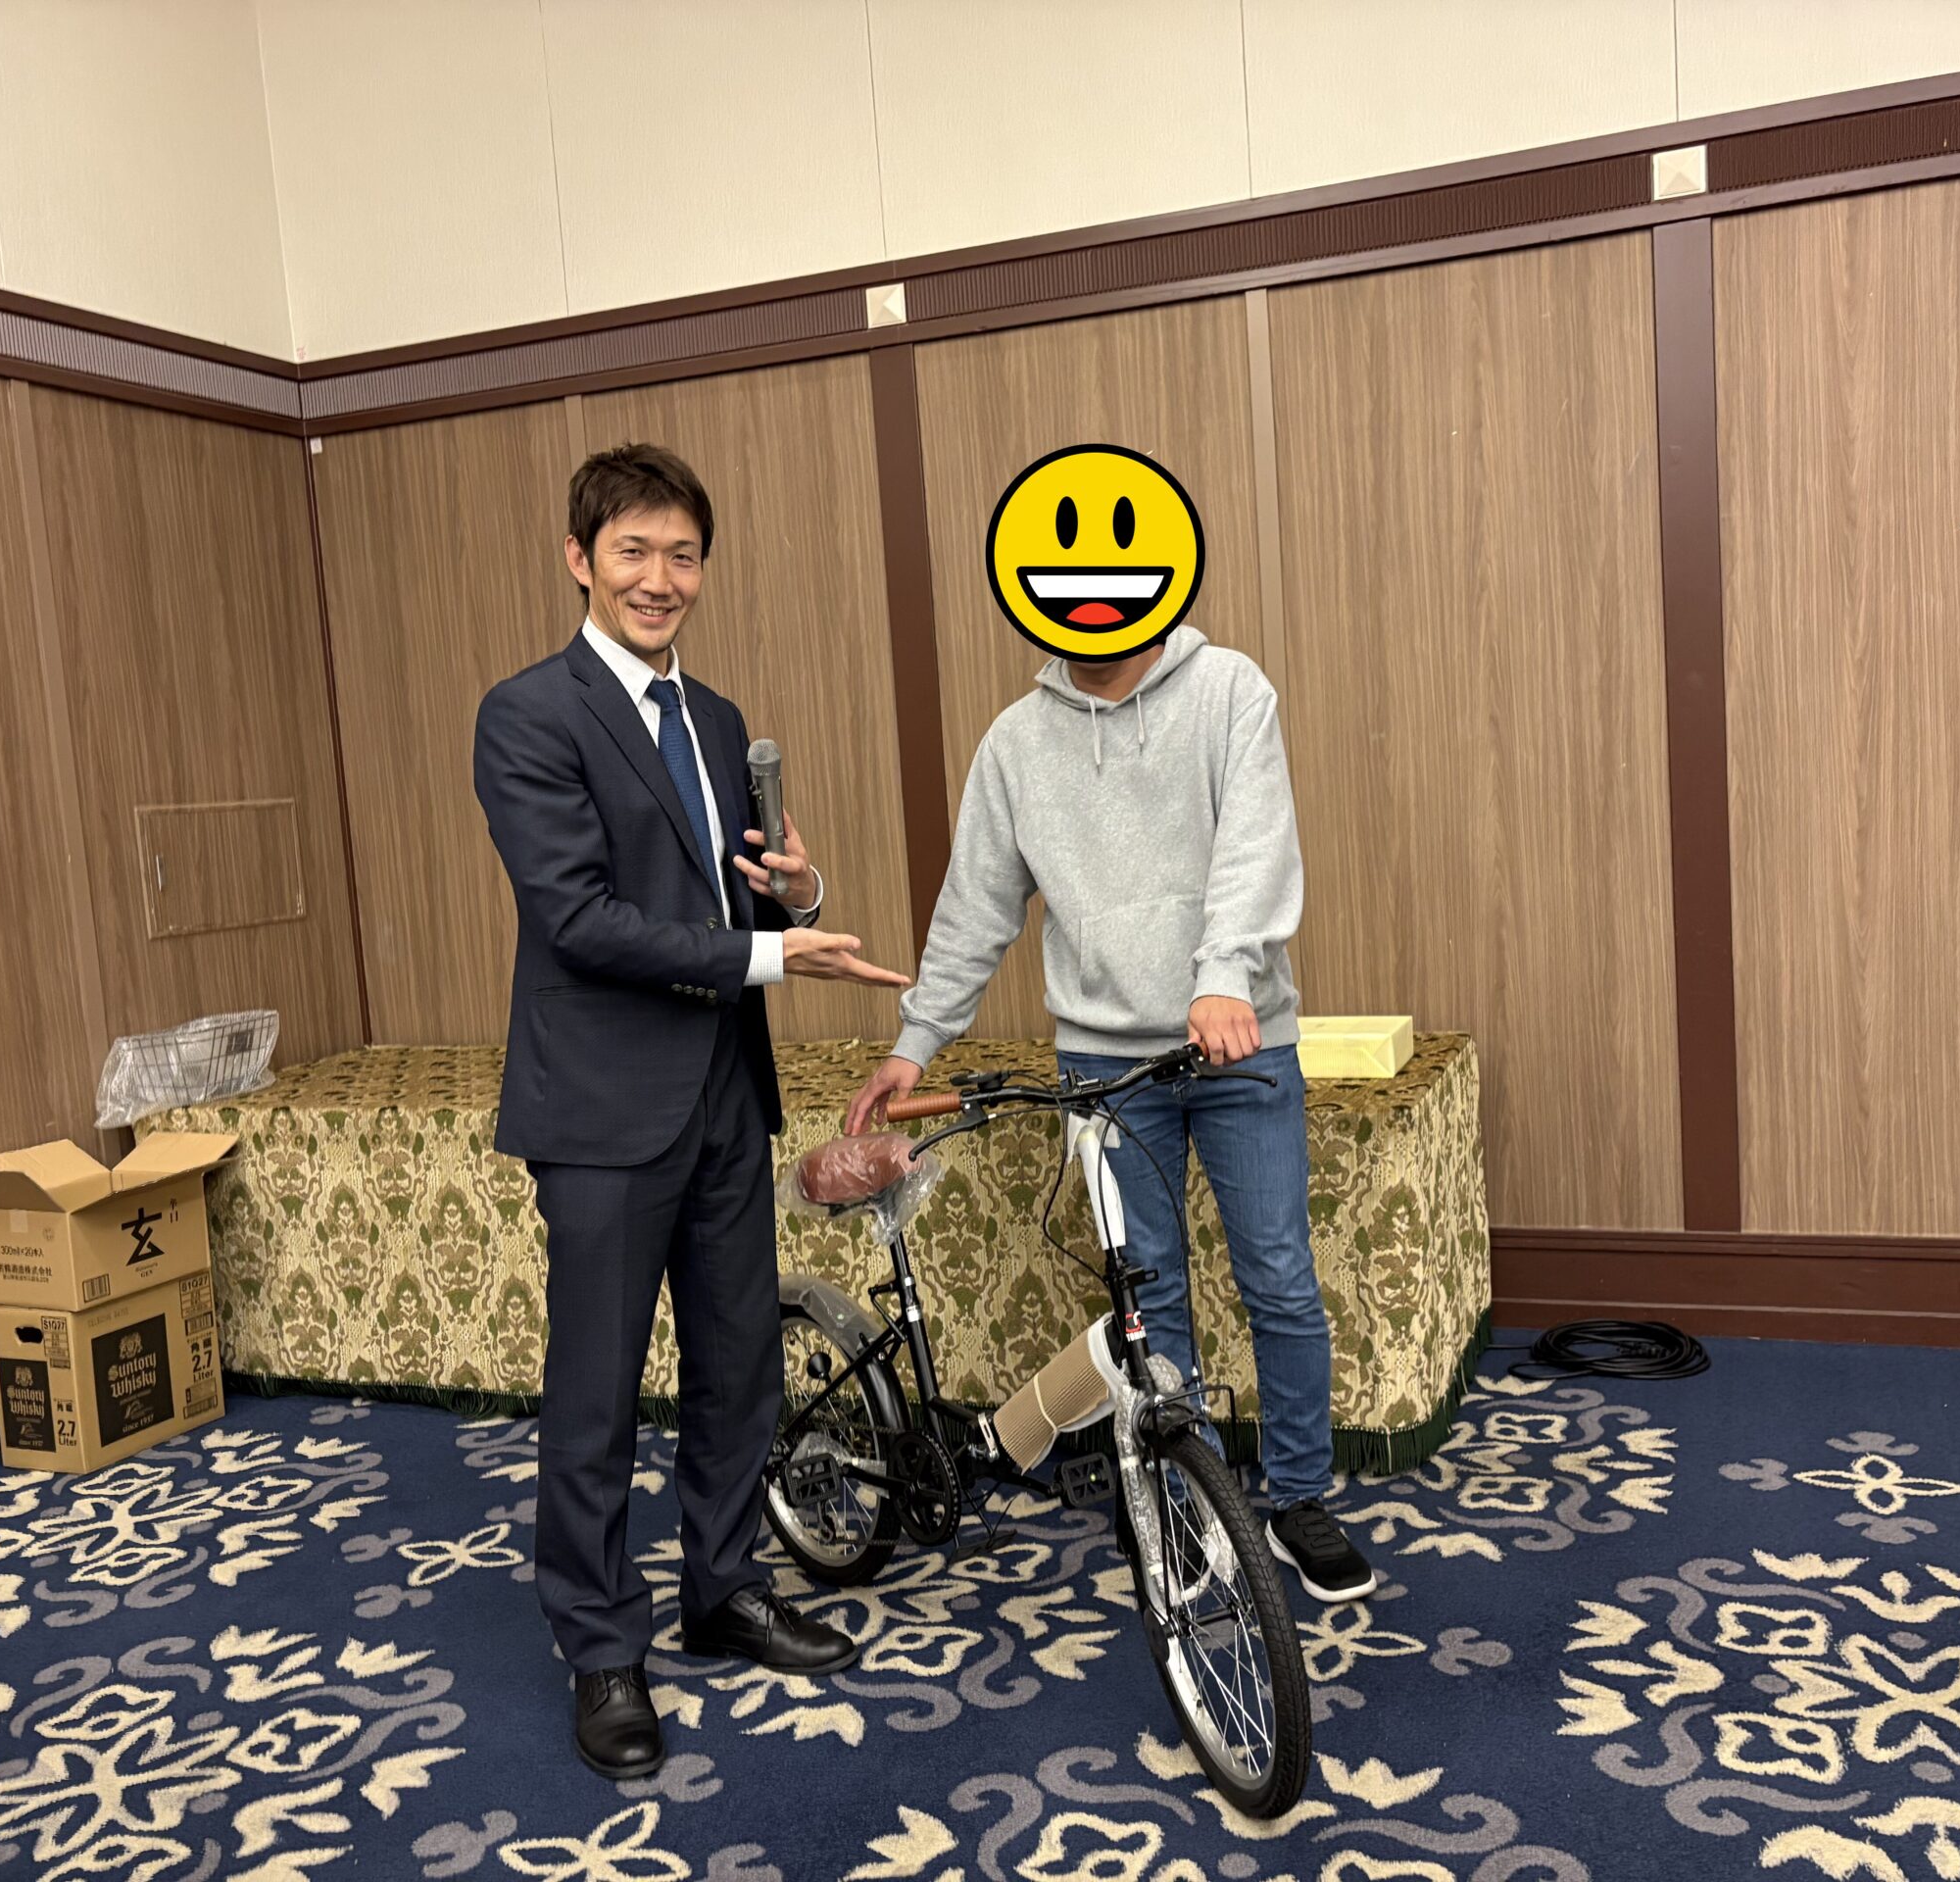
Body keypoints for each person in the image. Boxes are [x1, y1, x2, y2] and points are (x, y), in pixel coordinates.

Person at [475, 443, 910, 1781]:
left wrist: (798, 894)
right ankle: (602, 1648)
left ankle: (723, 1589)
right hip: (602, 1107)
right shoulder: (528, 714)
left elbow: (734, 894)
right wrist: (776, 955)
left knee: (740, 1366)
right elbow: (580, 920)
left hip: (724, 1090)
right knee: (596, 1393)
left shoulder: (716, 719)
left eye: (682, 555)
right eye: (633, 552)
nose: (659, 579)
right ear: (579, 560)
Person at [845, 624, 1376, 1604]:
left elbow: (1256, 846)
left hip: (1240, 1044)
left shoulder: (1228, 690)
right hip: (1103, 1062)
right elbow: (975, 908)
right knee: (1149, 1297)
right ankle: (1188, 1498)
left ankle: (1299, 1498)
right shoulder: (1016, 742)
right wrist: (913, 1044)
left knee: (1279, 1277)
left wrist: (1223, 977)